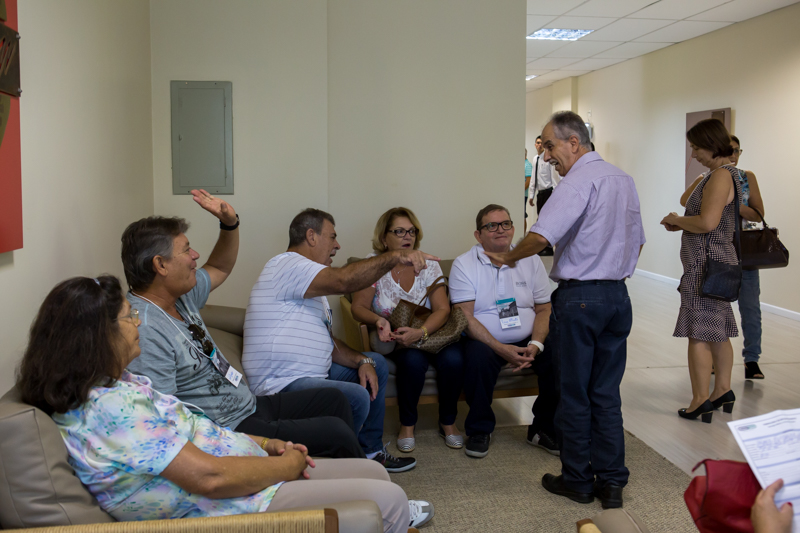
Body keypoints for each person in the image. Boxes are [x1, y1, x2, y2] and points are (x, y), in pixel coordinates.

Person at [15, 276, 434, 531]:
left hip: (246, 469)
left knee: (374, 472)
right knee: (388, 500)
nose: (137, 322)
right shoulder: (109, 411)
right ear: (95, 337)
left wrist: (265, 445)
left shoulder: (118, 383)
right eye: (129, 317)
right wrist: (283, 466)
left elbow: (196, 432)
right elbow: (209, 478)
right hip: (232, 504)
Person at [122, 190, 363, 459]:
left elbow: (220, 267)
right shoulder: (145, 329)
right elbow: (164, 424)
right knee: (336, 433)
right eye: (187, 249)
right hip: (228, 428)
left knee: (333, 399)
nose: (195, 255)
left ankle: (342, 474)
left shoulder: (180, 295)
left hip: (248, 405)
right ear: (160, 265)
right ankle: (358, 478)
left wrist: (229, 224)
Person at [487, 111, 645, 509]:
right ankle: (611, 483)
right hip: (618, 298)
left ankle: (577, 480)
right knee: (605, 394)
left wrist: (506, 258)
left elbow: (541, 236)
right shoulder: (623, 179)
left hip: (581, 300)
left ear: (574, 142)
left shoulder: (577, 182)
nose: (545, 155)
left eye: (549, 146)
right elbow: (638, 241)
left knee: (574, 395)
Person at [242, 208, 438, 473]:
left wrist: (363, 360)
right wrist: (395, 256)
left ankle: (371, 451)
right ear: (311, 236)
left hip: (311, 373)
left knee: (376, 363)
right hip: (281, 383)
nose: (337, 245)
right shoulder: (287, 265)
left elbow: (328, 342)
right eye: (332, 237)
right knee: (356, 396)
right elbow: (345, 281)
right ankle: (348, 464)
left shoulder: (312, 286)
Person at [351, 207, 464, 453]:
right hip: (398, 338)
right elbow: (357, 307)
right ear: (384, 238)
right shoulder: (372, 264)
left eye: (412, 231)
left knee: (454, 360)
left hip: (431, 333)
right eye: (399, 231)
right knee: (413, 361)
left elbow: (442, 309)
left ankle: (448, 422)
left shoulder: (428, 264)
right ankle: (407, 425)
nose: (408, 237)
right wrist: (379, 321)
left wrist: (421, 332)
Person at [449, 204, 557, 459]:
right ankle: (479, 430)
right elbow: (465, 316)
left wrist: (536, 344)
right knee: (477, 357)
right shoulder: (464, 264)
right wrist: (500, 348)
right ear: (478, 235)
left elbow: (544, 308)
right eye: (492, 226)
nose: (500, 230)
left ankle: (542, 428)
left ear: (513, 228)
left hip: (529, 337)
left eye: (505, 224)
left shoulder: (530, 260)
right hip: (485, 339)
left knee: (559, 354)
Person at [663, 118, 741, 424]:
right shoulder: (723, 174)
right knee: (718, 330)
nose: (694, 154)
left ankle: (699, 399)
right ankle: (722, 390)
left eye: (697, 147)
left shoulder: (720, 176)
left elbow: (707, 222)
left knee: (698, 333)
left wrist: (677, 220)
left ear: (711, 145)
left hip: (705, 265)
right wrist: (683, 223)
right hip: (716, 262)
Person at [731, 135, 766, 380]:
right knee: (717, 308)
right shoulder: (705, 178)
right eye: (729, 150)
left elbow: (758, 214)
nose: (733, 155)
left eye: (737, 150)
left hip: (745, 251)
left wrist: (732, 204)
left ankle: (752, 359)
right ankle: (716, 357)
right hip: (717, 250)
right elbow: (685, 201)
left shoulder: (747, 177)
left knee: (751, 308)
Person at [527, 134, 561, 253]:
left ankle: (548, 247)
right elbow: (533, 178)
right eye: (537, 143)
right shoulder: (535, 159)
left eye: (541, 143)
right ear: (535, 145)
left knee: (547, 221)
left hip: (548, 193)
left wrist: (555, 196)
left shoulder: (548, 159)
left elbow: (554, 179)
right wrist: (531, 195)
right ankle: (542, 247)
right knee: (540, 220)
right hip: (540, 193)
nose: (539, 145)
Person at [525, 148, 533, 224]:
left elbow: (528, 181)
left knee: (522, 215)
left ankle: (523, 231)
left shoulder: (527, 165)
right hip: (518, 195)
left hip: (523, 195)